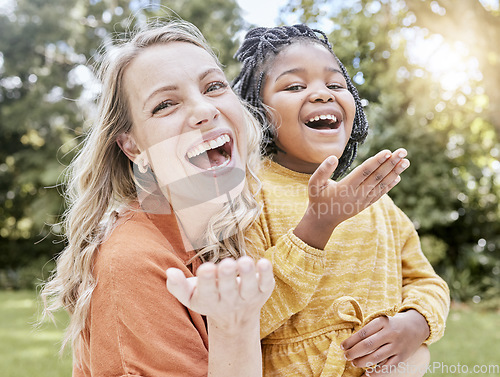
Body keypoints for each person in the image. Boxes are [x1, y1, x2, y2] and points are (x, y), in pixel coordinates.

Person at [40, 20, 275, 377]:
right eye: (165, 105)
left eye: (213, 86)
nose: (204, 111)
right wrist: (234, 326)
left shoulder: (242, 225)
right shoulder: (133, 262)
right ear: (134, 147)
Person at [233, 24, 450, 376]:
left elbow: (426, 282)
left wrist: (417, 323)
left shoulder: (377, 202)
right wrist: (315, 229)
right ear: (258, 112)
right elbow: (241, 320)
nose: (322, 94)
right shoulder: (248, 195)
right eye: (294, 86)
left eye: (336, 85)